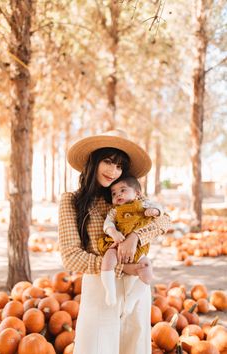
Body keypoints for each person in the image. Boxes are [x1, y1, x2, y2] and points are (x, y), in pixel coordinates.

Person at [58, 130, 171, 354]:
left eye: (119, 166)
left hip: (135, 290)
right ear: (94, 161)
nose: (113, 171)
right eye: (108, 161)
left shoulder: (126, 196)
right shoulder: (71, 201)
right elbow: (70, 257)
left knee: (135, 347)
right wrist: (122, 266)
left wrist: (135, 237)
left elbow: (164, 220)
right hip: (101, 289)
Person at [99, 175, 164, 309]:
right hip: (116, 244)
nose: (118, 195)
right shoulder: (114, 211)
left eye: (123, 190)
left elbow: (161, 210)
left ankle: (132, 299)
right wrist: (113, 232)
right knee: (108, 259)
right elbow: (107, 224)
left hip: (138, 248)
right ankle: (109, 291)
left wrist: (155, 211)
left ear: (137, 193)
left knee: (147, 269)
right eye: (114, 193)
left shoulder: (143, 204)